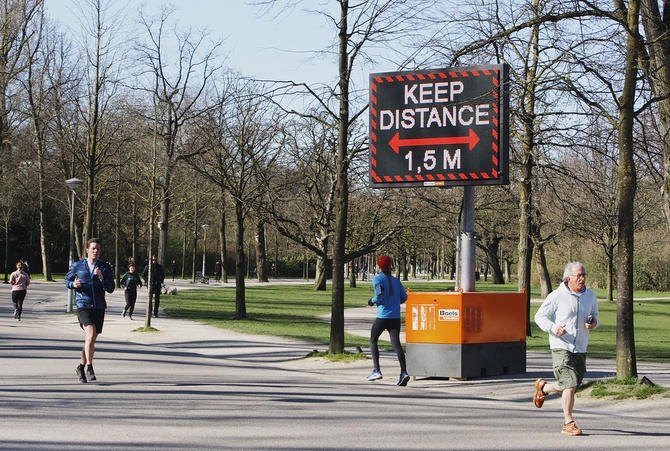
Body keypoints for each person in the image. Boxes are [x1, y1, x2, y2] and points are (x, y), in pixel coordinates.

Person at [533, 261, 599, 436]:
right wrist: (554, 328)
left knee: (571, 385)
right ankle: (568, 422)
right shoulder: (557, 296)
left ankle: (543, 389)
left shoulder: (590, 296)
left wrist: (593, 323)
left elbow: (596, 317)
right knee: (569, 385)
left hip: (581, 347)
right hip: (561, 346)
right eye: (579, 275)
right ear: (568, 277)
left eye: (584, 275)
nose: (582, 278)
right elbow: (539, 316)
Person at [65, 238, 115, 383]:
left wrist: (101, 278)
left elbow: (111, 288)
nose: (95, 251)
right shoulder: (78, 266)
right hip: (83, 305)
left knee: (91, 339)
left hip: (99, 306)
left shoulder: (104, 267)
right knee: (90, 334)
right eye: (93, 248)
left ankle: (80, 367)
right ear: (87, 250)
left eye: (98, 248)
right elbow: (67, 281)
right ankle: (89, 367)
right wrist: (73, 284)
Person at [366, 255, 410, 386]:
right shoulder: (396, 281)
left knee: (373, 340)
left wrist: (372, 301)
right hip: (395, 317)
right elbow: (404, 297)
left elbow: (379, 294)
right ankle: (404, 372)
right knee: (396, 345)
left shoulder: (377, 279)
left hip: (383, 316)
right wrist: (395, 302)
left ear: (379, 266)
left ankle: (377, 370)